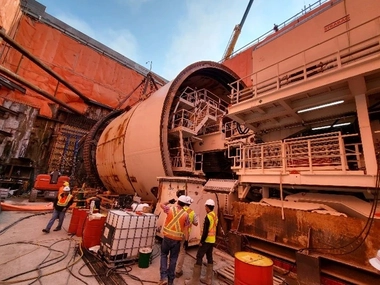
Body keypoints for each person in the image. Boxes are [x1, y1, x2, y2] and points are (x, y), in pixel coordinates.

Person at [185, 199, 218, 285]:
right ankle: (208, 279)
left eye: (205, 207)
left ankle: (194, 281)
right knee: (209, 257)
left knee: (199, 256)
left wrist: (201, 242)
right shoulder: (214, 215)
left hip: (206, 240)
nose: (205, 208)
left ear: (207, 207)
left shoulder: (208, 217)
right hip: (212, 240)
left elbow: (205, 231)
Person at [159, 195, 190, 285]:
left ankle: (163, 277)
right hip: (177, 241)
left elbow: (161, 204)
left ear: (177, 202)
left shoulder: (170, 209)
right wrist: (186, 241)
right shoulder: (186, 215)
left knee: (163, 255)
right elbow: (186, 229)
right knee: (173, 259)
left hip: (167, 238)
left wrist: (169, 201)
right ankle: (170, 281)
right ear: (184, 205)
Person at [175, 195, 199, 278]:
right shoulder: (192, 212)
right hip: (185, 235)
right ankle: (178, 271)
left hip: (175, 233)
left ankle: (170, 268)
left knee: (173, 250)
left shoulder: (178, 208)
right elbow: (196, 223)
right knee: (182, 252)